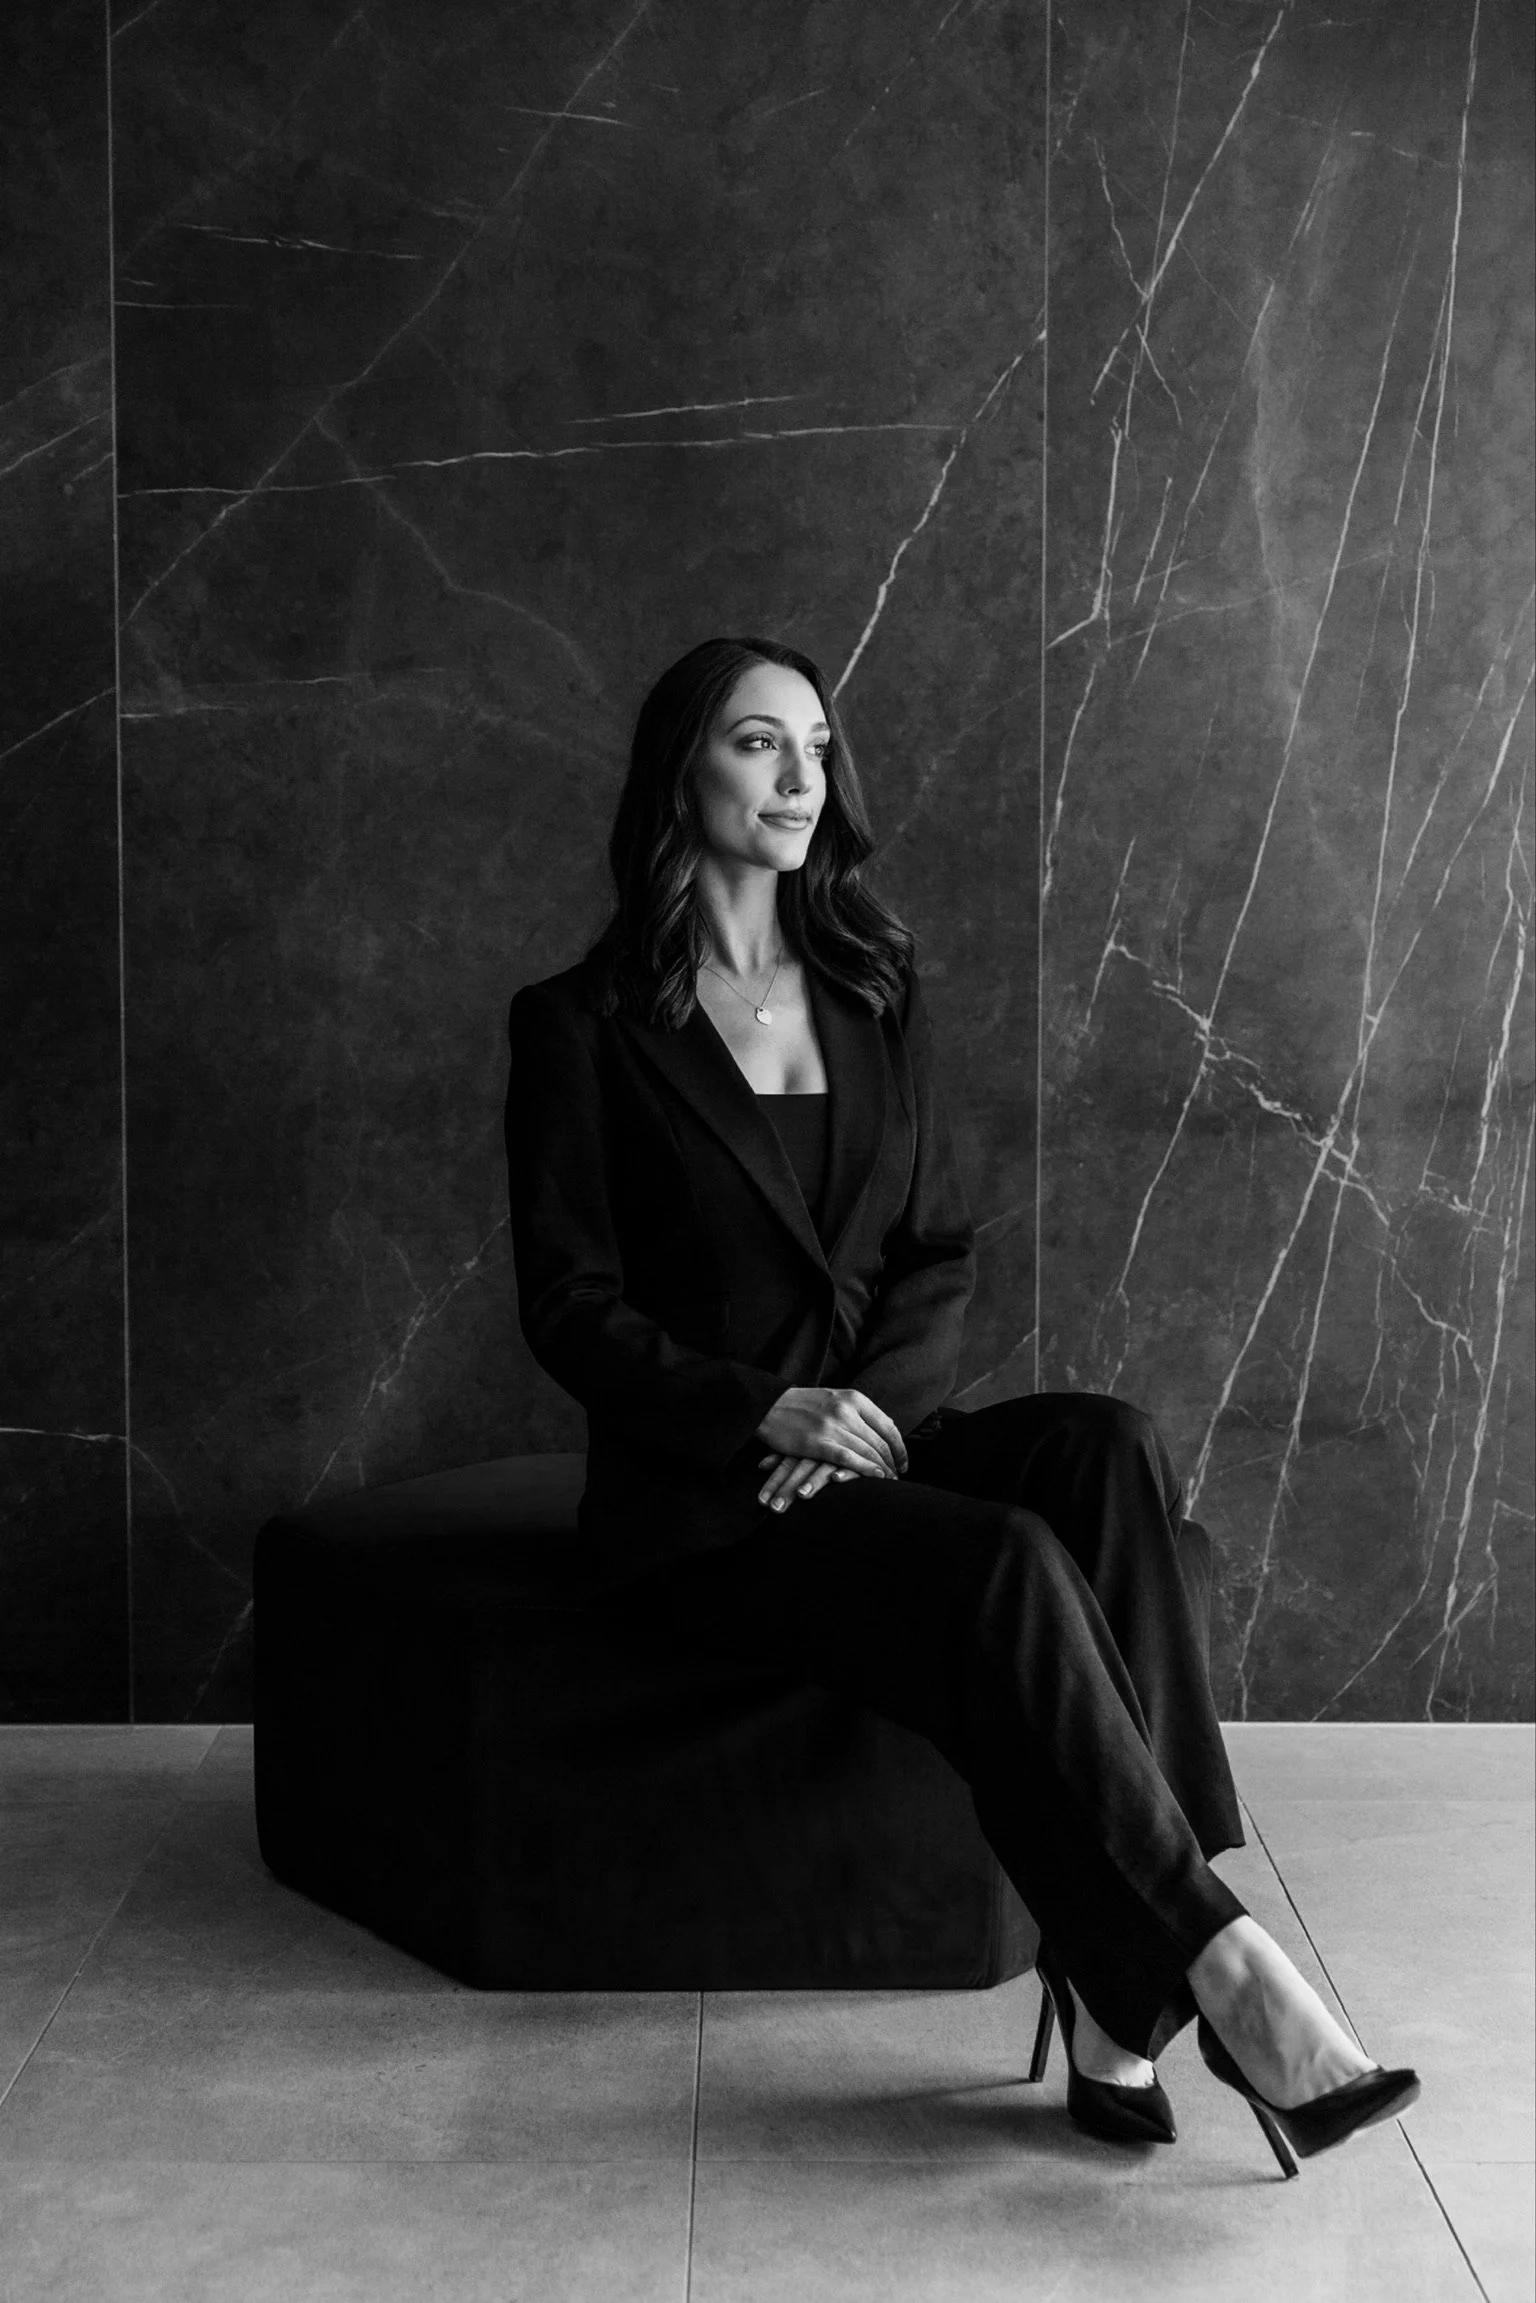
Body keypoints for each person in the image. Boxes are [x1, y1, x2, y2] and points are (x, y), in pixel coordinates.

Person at [503, 633, 1419, 2174]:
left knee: (1110, 1444)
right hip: (705, 1497)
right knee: (1001, 1560)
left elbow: (935, 1253)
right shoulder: (580, 1025)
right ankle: (1224, 1965)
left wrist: (857, 1414)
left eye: (817, 745)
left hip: (869, 1439)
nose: (802, 777)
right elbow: (569, 1305)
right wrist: (766, 1416)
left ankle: (1124, 1975)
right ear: (684, 771)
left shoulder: (872, 990)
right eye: (756, 743)